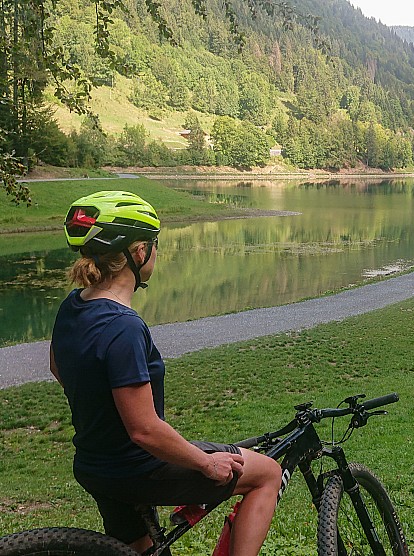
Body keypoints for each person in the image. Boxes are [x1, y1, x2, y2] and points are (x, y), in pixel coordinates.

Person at [50, 191, 282, 555]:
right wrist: (206, 463)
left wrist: (103, 410)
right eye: (154, 245)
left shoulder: (73, 306)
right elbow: (144, 430)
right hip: (139, 470)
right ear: (139, 252)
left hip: (95, 464)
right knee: (266, 473)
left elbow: (57, 367)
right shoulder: (122, 326)